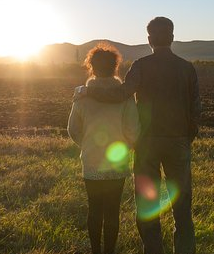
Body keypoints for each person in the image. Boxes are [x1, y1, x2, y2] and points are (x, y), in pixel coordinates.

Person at [74, 17, 201, 254]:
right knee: (182, 205)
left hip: (147, 144)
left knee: (148, 204)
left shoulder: (141, 66)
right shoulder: (187, 68)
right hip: (178, 142)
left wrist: (87, 90)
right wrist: (185, 138)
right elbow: (196, 111)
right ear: (172, 38)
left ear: (149, 39)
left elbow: (120, 94)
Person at [68, 43, 140, 254]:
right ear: (115, 67)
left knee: (94, 209)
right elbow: (134, 130)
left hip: (91, 159)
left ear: (91, 67)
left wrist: (87, 144)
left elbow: (72, 129)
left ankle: (95, 251)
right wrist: (125, 147)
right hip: (117, 162)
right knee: (112, 211)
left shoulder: (81, 97)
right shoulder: (124, 96)